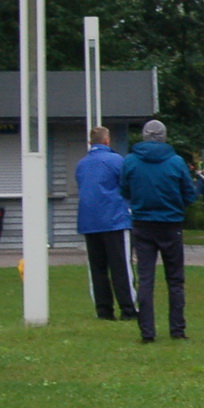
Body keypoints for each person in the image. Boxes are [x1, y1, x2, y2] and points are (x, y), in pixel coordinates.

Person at [121, 119, 198, 343]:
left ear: (144, 136)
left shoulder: (131, 161)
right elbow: (189, 193)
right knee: (175, 279)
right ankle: (177, 329)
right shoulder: (175, 162)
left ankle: (147, 331)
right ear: (164, 136)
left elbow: (124, 189)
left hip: (143, 223)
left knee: (146, 279)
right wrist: (177, 206)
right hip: (170, 224)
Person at [75, 125, 136, 321]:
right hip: (114, 220)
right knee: (121, 266)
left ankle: (103, 310)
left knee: (97, 268)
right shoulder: (116, 160)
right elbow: (127, 186)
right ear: (107, 141)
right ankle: (128, 308)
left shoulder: (81, 164)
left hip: (89, 221)